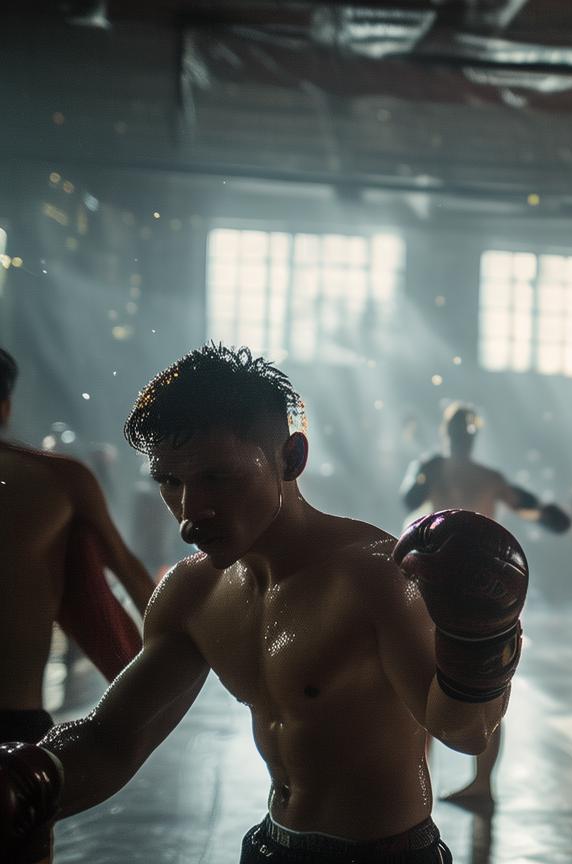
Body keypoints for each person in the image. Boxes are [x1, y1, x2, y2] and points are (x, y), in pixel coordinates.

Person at [0, 345, 528, 864]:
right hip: (269, 846)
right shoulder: (192, 592)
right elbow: (111, 740)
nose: (191, 510)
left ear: (291, 458)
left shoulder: (373, 577)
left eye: (218, 478)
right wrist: (25, 780)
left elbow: (464, 732)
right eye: (169, 480)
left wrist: (481, 642)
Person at [400, 401, 569, 806]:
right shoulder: (486, 477)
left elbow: (409, 501)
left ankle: (423, 782)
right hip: (484, 587)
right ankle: (479, 784)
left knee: (427, 680)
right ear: (473, 435)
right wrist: (551, 515)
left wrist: (424, 467)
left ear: (449, 433)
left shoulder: (435, 467)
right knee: (486, 683)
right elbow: (536, 510)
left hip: (441, 585)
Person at [0, 347, 153, 746]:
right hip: (15, 718)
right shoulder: (57, 479)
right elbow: (126, 568)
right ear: (5, 408)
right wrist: (177, 652)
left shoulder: (60, 478)